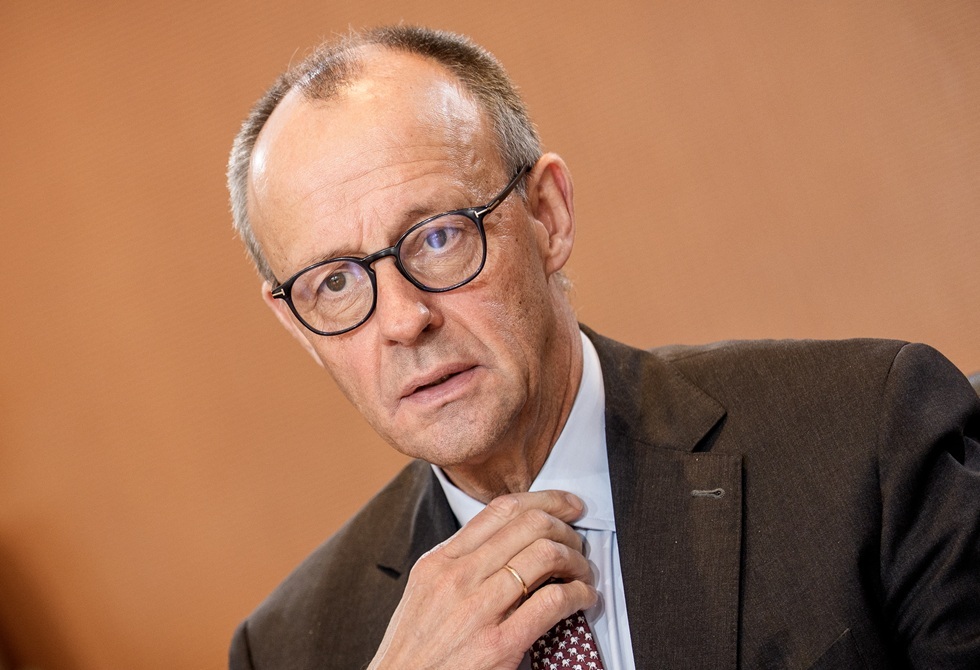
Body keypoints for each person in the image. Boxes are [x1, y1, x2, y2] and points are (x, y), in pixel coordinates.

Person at [225, 25, 980, 669]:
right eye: (334, 283)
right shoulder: (287, 647)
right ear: (296, 324)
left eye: (439, 237)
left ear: (547, 215)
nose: (402, 319)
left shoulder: (868, 440)